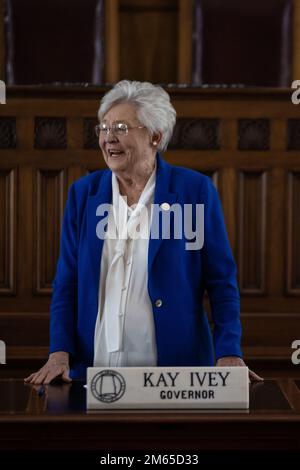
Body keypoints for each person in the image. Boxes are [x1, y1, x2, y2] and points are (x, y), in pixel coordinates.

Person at [25, 80, 263, 385]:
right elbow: (67, 284)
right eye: (103, 128)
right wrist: (59, 352)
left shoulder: (193, 192)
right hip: (94, 373)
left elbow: (220, 282)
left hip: (176, 376)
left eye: (121, 128)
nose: (108, 138)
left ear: (155, 136)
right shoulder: (83, 195)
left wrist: (228, 352)